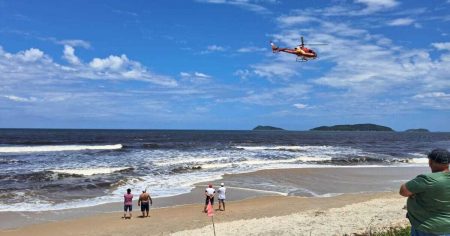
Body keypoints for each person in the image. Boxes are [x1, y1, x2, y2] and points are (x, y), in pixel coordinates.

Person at [399, 148, 450, 235]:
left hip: (427, 227)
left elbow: (403, 191)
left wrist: (415, 194)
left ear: (430, 162)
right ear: (448, 163)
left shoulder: (427, 179)